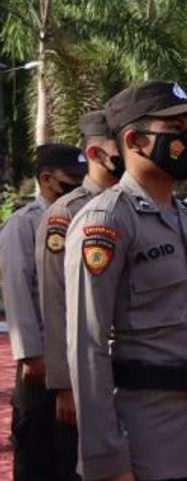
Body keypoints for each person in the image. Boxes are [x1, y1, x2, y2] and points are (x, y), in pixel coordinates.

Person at [66, 79, 187, 480]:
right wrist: (106, 460)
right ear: (135, 140)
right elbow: (87, 346)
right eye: (175, 131)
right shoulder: (105, 221)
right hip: (143, 436)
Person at [35, 112, 121, 480]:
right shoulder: (68, 212)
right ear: (98, 153)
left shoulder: (137, 205)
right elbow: (56, 302)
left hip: (133, 369)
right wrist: (64, 384)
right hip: (87, 371)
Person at [4, 141, 86, 480]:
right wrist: (30, 355)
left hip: (73, 356)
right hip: (39, 361)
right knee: (37, 452)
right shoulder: (24, 224)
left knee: (70, 454)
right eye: (72, 176)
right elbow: (17, 290)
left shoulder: (81, 214)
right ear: (46, 178)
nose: (79, 182)